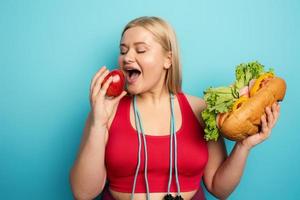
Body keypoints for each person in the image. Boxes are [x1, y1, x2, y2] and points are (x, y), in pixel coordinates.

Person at [70, 16, 280, 200]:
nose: (127, 58)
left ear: (168, 59)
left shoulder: (201, 110)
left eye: (140, 50)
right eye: (123, 51)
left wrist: (244, 146)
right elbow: (83, 193)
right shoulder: (105, 111)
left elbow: (219, 189)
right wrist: (98, 123)